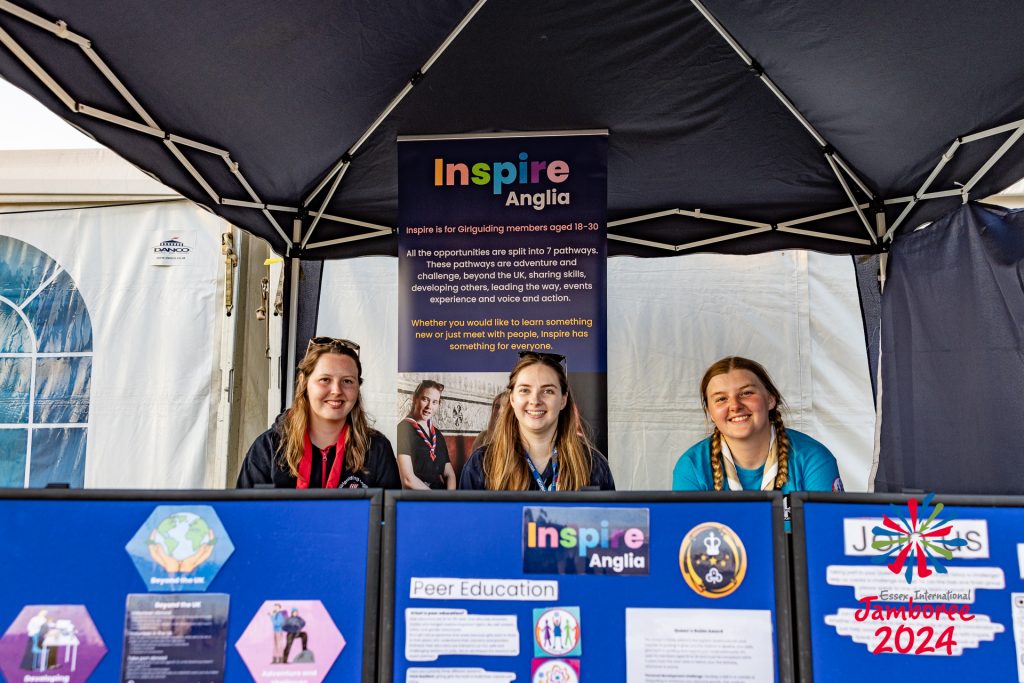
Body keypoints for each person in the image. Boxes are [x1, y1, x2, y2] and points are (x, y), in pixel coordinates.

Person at [236, 337, 401, 489]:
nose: (336, 390)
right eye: (325, 380)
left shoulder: (376, 449)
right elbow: (245, 515)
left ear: (358, 387)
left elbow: (389, 518)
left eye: (347, 381)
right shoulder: (269, 447)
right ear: (304, 382)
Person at [672, 356, 843, 493]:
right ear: (710, 412)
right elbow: (687, 535)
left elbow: (827, 531)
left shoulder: (813, 457)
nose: (735, 406)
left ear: (770, 400)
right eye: (721, 399)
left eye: (746, 393)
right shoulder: (691, 466)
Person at [459, 352, 614, 490]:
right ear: (512, 399)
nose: (535, 400)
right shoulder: (481, 464)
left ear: (563, 400)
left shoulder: (593, 464)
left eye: (548, 391)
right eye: (525, 390)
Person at [397, 380, 456, 489]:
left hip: (440, 496)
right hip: (417, 498)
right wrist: (436, 501)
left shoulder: (437, 435)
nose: (429, 406)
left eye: (435, 402)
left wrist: (449, 499)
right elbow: (408, 480)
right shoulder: (403, 429)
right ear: (415, 399)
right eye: (425, 399)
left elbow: (449, 474)